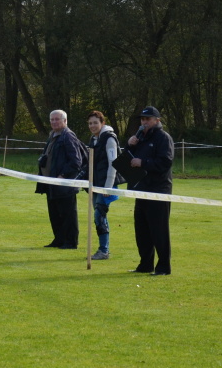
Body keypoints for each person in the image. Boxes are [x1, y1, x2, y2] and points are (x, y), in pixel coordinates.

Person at [127, 106, 174, 276]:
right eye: (142, 119)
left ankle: (163, 267)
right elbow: (130, 161)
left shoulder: (163, 138)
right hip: (141, 189)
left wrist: (143, 162)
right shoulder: (140, 138)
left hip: (158, 190)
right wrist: (130, 146)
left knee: (159, 231)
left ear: (157, 120)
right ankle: (145, 264)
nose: (144, 122)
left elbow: (165, 162)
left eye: (148, 119)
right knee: (142, 231)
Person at [35, 110, 84, 249]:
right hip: (51, 182)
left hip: (64, 183)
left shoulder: (68, 136)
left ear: (65, 121)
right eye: (52, 120)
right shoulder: (52, 135)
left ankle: (71, 242)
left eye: (57, 119)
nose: (54, 122)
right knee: (55, 213)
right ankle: (59, 239)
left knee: (67, 214)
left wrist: (63, 175)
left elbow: (76, 161)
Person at [87, 111, 124, 260]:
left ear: (102, 123)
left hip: (106, 184)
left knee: (99, 215)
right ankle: (104, 249)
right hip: (95, 184)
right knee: (98, 215)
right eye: (90, 123)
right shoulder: (93, 139)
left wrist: (108, 186)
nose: (92, 126)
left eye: (95, 122)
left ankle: (103, 250)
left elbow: (113, 163)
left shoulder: (109, 139)